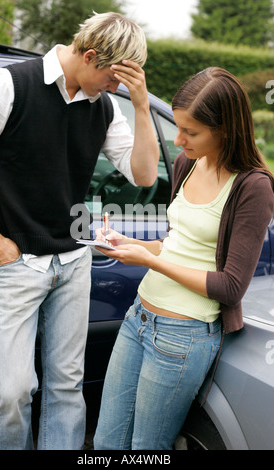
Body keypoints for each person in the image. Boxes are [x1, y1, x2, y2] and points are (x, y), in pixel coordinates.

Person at [0, 12, 159, 450]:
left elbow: (145, 175)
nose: (114, 88)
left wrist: (141, 104)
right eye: (113, 79)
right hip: (13, 262)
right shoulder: (8, 85)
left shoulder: (106, 107)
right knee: (12, 392)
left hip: (74, 261)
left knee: (65, 388)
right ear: (91, 56)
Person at [93, 67, 274, 450]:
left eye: (190, 132)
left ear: (224, 129)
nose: (178, 141)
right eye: (178, 128)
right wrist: (126, 243)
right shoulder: (186, 164)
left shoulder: (253, 186)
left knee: (147, 449)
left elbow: (229, 286)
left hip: (182, 337)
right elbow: (178, 243)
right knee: (107, 443)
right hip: (137, 319)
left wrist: (149, 260)